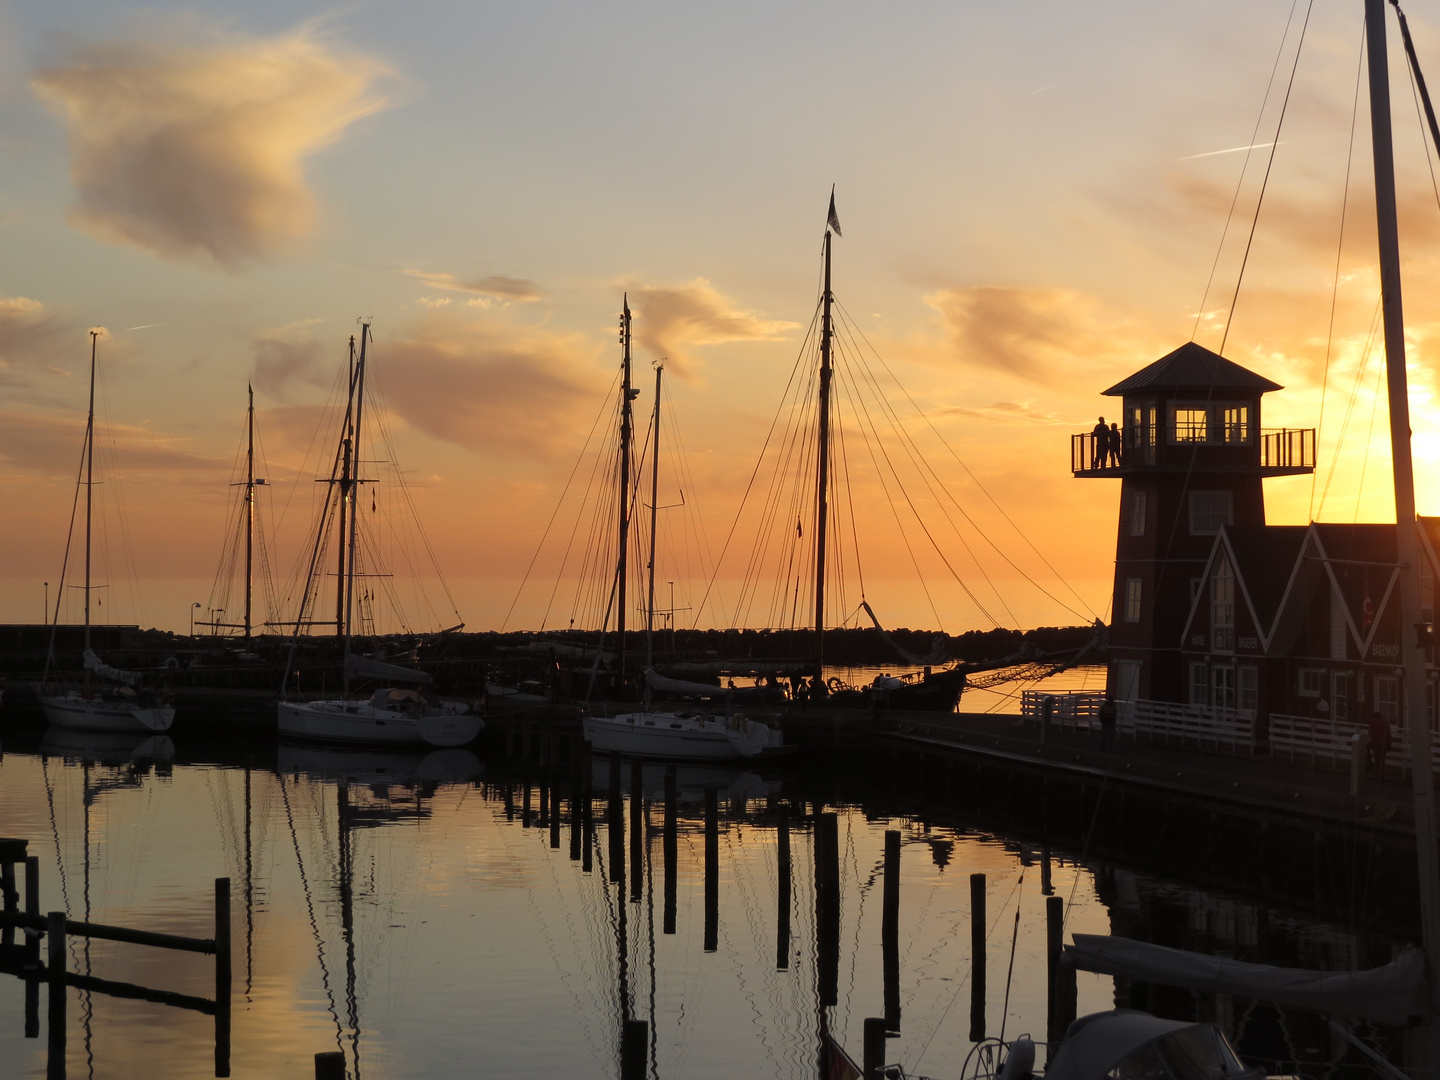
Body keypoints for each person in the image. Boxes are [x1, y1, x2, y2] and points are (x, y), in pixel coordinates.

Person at [1368, 710, 1394, 777]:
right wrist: (1389, 745)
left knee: (1377, 760)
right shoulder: (1385, 723)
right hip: (1384, 744)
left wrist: (1370, 744)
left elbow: (1371, 735)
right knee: (1382, 760)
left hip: (1376, 745)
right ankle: (1381, 775)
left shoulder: (1372, 723)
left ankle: (1378, 775)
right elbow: (1389, 735)